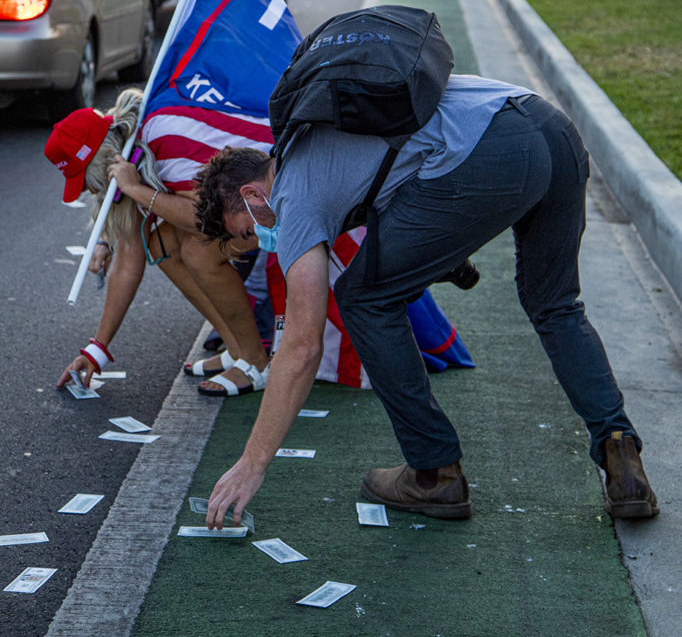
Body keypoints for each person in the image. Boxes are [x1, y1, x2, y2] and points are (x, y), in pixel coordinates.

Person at [193, 64, 659, 530]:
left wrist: (251, 463)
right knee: (556, 305)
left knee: (362, 299)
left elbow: (301, 344)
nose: (264, 239)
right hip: (549, 127)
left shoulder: (290, 195)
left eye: (251, 230)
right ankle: (621, 454)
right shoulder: (319, 138)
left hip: (490, 149)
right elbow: (401, 185)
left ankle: (434, 471)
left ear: (254, 193)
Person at [45, 88, 270, 396]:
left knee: (198, 251)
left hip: (282, 192)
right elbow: (129, 260)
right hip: (254, 196)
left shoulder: (165, 137)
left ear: (103, 161)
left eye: (87, 181)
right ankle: (238, 348)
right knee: (161, 244)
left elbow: (208, 218)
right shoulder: (137, 148)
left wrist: (137, 191)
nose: (92, 191)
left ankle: (256, 361)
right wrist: (96, 350)